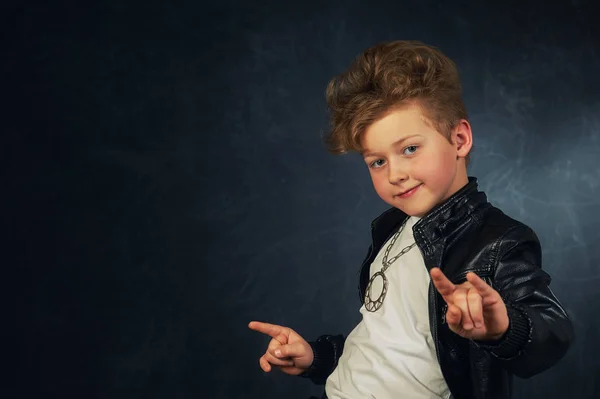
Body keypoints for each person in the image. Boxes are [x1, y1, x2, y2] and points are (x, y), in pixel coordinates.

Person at [248, 40, 574, 399]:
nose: (395, 174)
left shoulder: (499, 242)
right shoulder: (391, 230)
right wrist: (316, 357)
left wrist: (503, 328)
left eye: (409, 149)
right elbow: (388, 345)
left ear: (460, 139)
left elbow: (551, 334)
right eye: (377, 161)